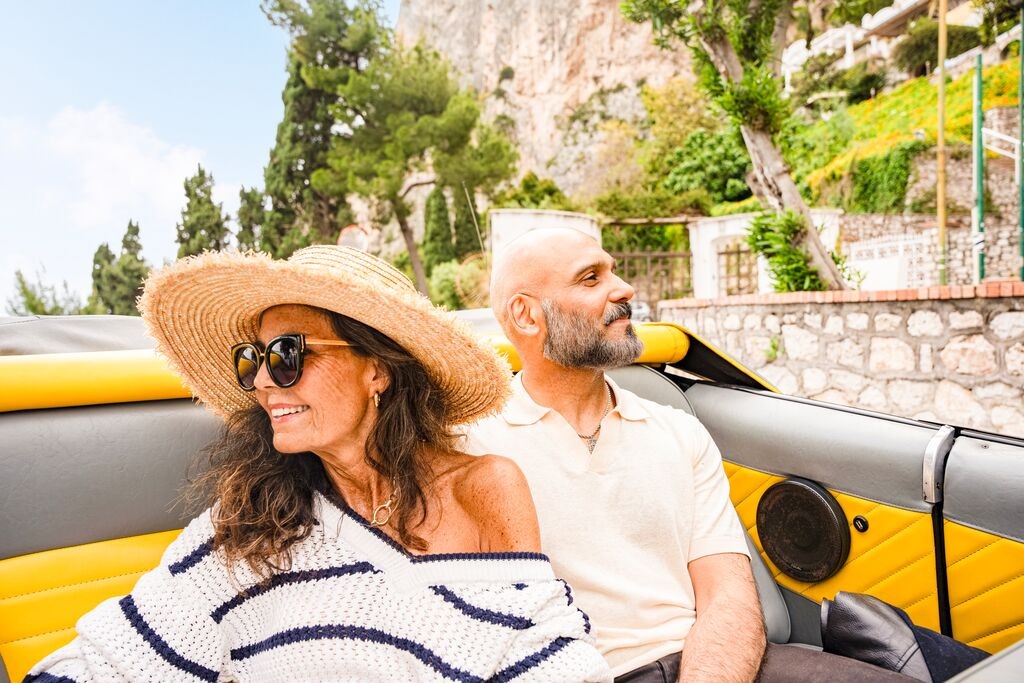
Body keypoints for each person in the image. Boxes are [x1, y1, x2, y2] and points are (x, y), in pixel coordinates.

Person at [27, 245, 610, 683]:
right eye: (252, 359)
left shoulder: (484, 487)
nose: (261, 380)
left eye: (287, 355)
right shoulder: (254, 523)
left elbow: (546, 653)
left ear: (377, 369)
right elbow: (116, 658)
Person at [462, 227, 914, 682]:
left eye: (612, 270)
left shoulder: (678, 431)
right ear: (526, 315)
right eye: (590, 278)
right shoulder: (468, 448)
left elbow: (729, 596)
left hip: (717, 660)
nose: (624, 289)